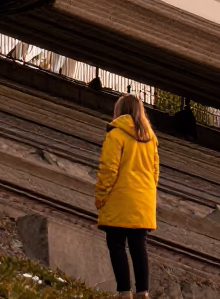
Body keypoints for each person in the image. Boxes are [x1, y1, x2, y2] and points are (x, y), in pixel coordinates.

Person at [95, 94, 160, 298]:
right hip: (143, 201)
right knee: (139, 247)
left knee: (116, 245)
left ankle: (124, 293)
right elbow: (155, 172)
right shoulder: (150, 138)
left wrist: (100, 196)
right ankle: (143, 293)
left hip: (120, 200)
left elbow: (109, 170)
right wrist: (146, 195)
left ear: (119, 111)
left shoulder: (116, 135)